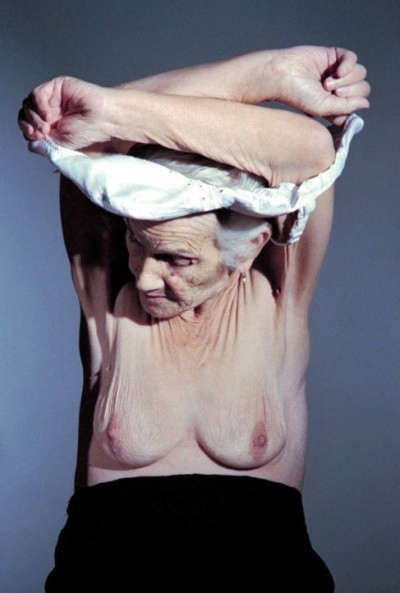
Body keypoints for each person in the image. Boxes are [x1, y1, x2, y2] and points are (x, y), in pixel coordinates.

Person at [18, 45, 370, 592]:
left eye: (177, 259)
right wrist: (262, 78)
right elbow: (73, 125)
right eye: (137, 244)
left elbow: (310, 149)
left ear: (251, 245)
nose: (144, 278)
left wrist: (269, 75)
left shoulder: (280, 301)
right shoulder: (107, 305)